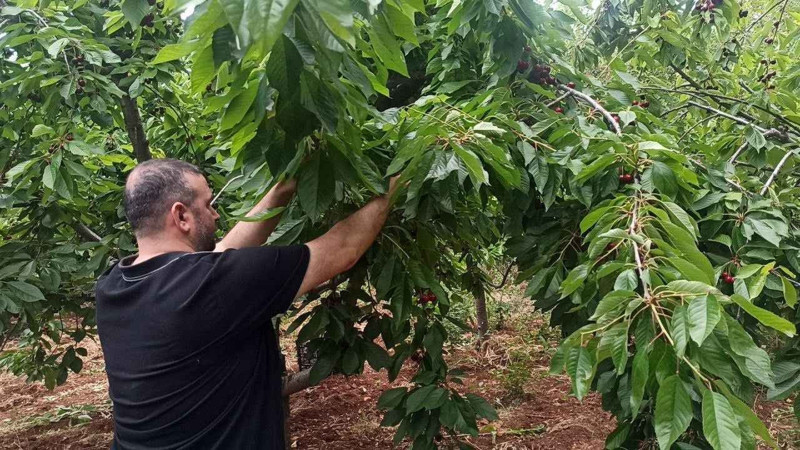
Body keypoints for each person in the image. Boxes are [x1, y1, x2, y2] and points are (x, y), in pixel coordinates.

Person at [95, 158, 399, 449]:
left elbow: (223, 251)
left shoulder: (113, 286)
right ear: (181, 216)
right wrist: (399, 181)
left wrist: (284, 188)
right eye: (208, 204)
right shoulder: (216, 284)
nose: (215, 215)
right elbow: (344, 248)